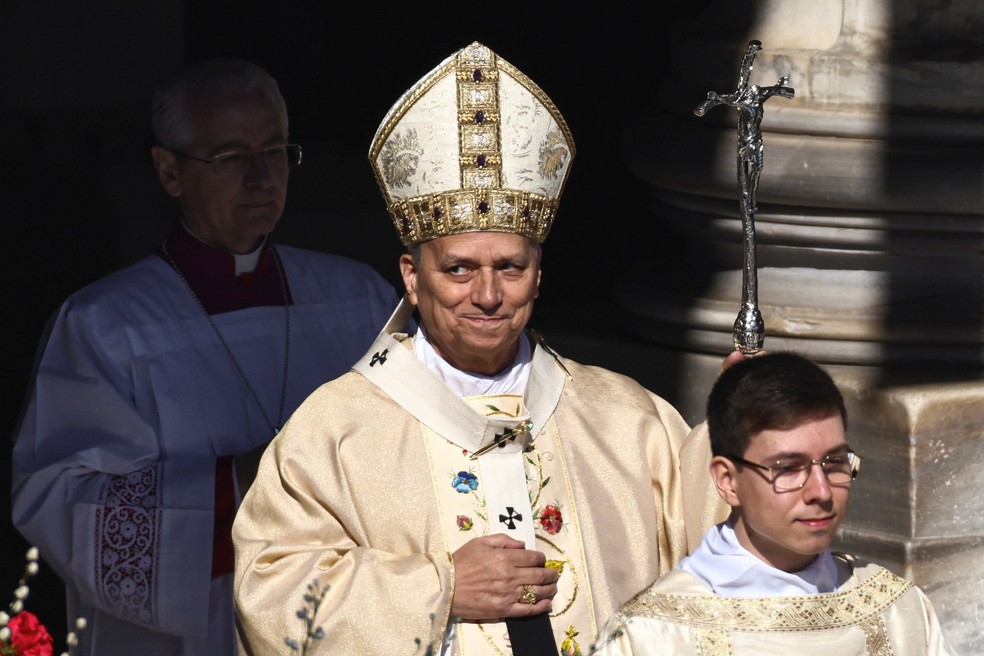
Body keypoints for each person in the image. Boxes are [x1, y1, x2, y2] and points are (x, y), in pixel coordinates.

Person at [233, 41, 732, 656]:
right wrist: (437, 589)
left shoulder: (627, 420)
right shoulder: (334, 431)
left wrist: (746, 434)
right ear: (413, 278)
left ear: (540, 273)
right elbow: (271, 594)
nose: (489, 295)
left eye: (511, 267)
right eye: (460, 269)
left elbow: (719, 562)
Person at [10, 58, 399, 656]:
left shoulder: (358, 299)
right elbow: (59, 501)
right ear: (169, 171)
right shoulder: (105, 324)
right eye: (229, 156)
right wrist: (246, 477)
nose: (261, 177)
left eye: (274, 151)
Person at [590, 352, 957, 655]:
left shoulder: (899, 612)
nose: (821, 491)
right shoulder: (654, 636)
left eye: (834, 462)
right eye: (788, 468)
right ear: (727, 481)